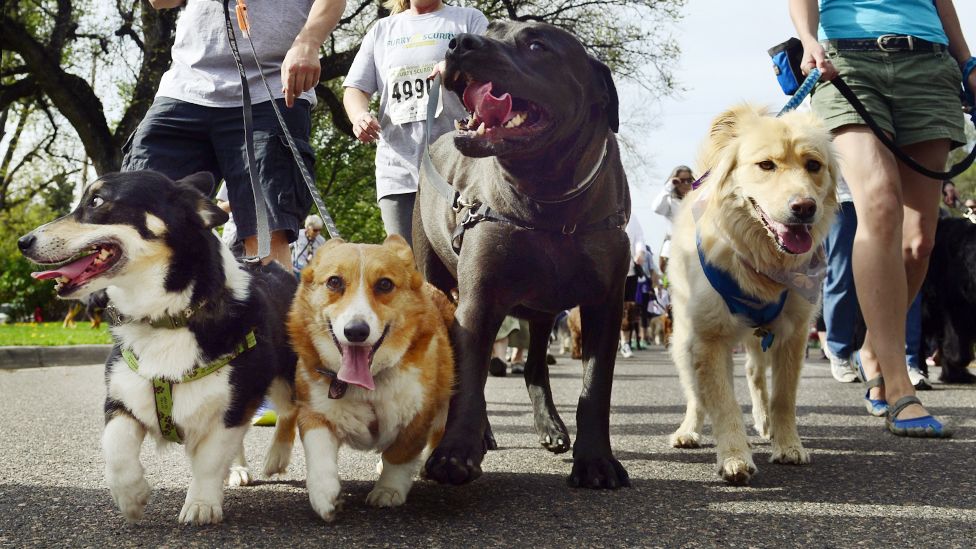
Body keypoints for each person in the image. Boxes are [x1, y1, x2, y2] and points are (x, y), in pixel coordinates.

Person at [790, 0, 975, 437]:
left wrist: (966, 61)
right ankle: (898, 387)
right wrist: (807, 37)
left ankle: (873, 348)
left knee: (919, 242)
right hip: (848, 63)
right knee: (880, 203)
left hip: (930, 65)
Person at [124, 0, 347, 269]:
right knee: (136, 218)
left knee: (266, 233)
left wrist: (308, 42)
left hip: (273, 89)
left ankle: (270, 306)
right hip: (185, 88)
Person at [342, 0, 488, 244]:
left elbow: (494, 68)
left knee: (464, 262)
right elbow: (355, 88)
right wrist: (359, 116)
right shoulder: (382, 30)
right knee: (407, 269)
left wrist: (455, 67)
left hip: (460, 171)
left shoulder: (468, 20)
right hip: (398, 172)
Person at [651, 165, 695, 274]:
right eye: (681, 180)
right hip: (673, 249)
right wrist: (669, 186)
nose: (685, 184)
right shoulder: (670, 201)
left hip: (695, 250)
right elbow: (656, 208)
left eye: (689, 180)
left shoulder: (696, 200)